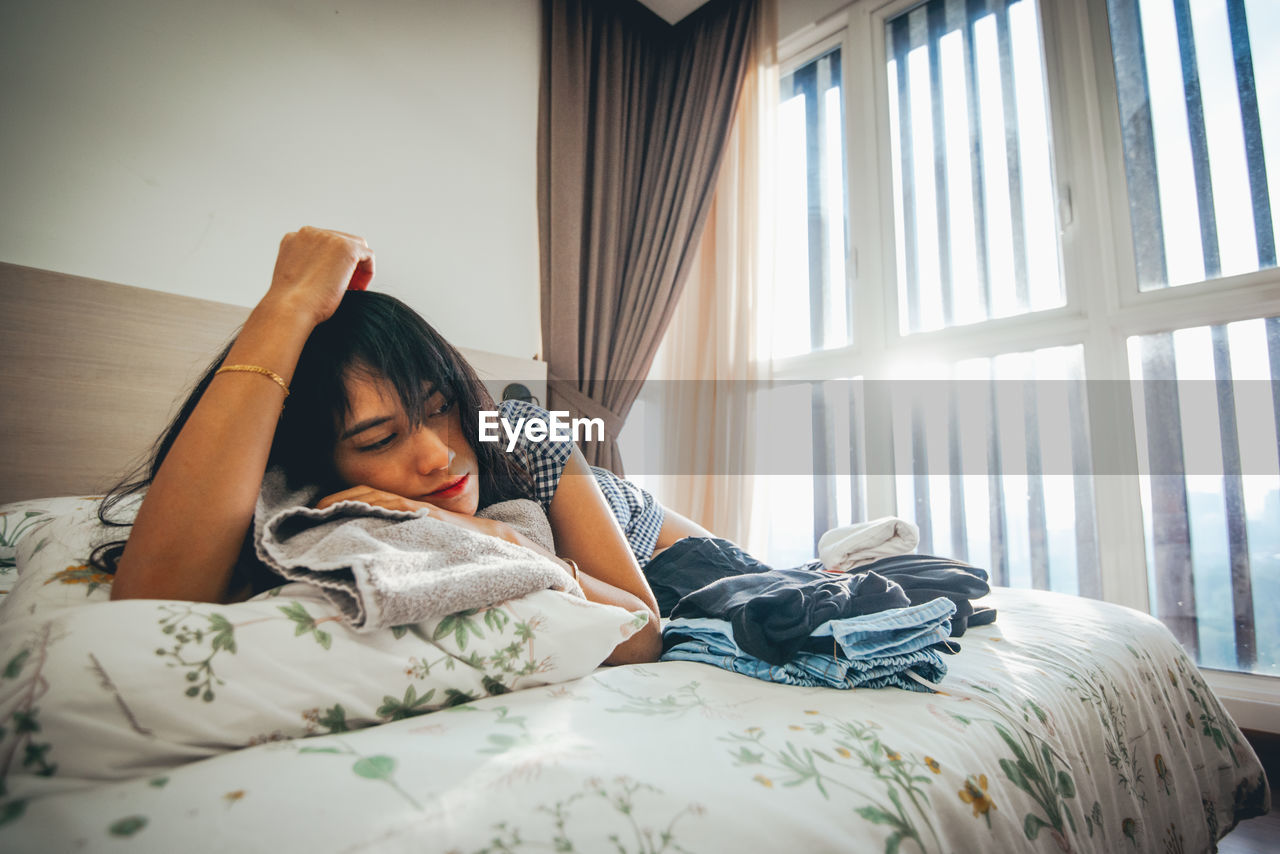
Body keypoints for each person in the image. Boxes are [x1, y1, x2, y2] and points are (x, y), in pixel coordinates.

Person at [99, 227, 711, 665]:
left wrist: (499, 539)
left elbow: (642, 631)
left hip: (651, 533)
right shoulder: (300, 491)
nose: (438, 456)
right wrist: (286, 307)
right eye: (379, 438)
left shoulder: (521, 431)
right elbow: (151, 606)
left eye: (441, 407)